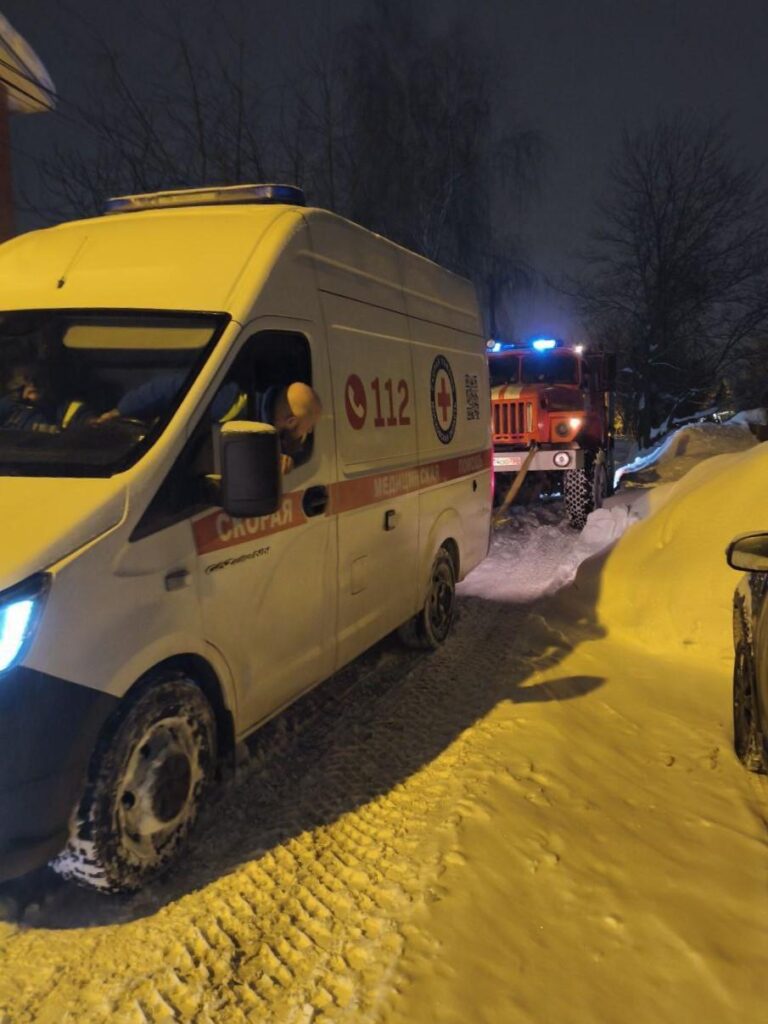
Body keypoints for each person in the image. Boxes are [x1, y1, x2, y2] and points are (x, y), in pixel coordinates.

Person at [97, 375, 322, 473]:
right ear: (291, 421)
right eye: (308, 425)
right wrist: (121, 411)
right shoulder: (232, 404)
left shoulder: (270, 425)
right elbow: (170, 388)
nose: (310, 431)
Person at [0, 364, 87, 433]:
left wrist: (89, 421)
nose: (33, 384)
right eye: (26, 379)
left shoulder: (61, 409)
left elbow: (81, 417)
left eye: (38, 379)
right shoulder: (9, 405)